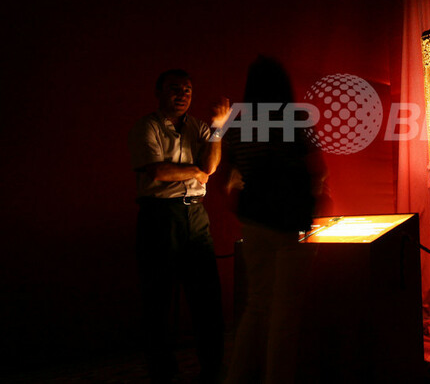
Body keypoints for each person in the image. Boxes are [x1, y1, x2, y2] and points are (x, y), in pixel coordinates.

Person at [224, 56, 325, 383]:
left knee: (256, 305)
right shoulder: (295, 118)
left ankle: (237, 376)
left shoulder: (237, 124)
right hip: (290, 218)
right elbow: (317, 167)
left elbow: (231, 172)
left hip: (253, 219)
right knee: (286, 314)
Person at [128, 69, 230, 383]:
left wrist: (217, 128)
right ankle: (162, 370)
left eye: (187, 90)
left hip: (195, 214)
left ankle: (212, 368)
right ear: (158, 92)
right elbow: (158, 172)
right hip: (160, 215)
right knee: (158, 297)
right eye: (175, 88)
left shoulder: (200, 127)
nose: (182, 95)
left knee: (206, 295)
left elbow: (209, 167)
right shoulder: (147, 126)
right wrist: (195, 172)